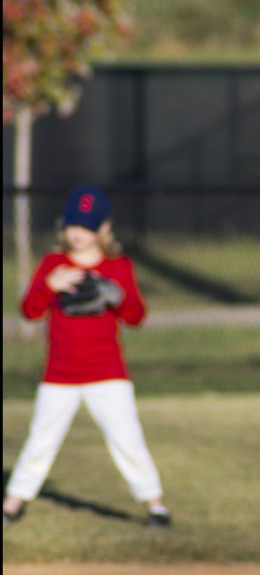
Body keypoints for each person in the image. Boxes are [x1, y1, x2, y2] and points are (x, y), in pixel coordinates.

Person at [3, 187, 171, 529]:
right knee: (40, 441)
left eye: (88, 226)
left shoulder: (117, 265)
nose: (78, 233)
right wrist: (50, 285)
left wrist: (116, 295)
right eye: (73, 225)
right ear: (63, 226)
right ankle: (12, 504)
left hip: (107, 373)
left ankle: (155, 505)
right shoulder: (54, 264)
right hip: (59, 375)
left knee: (127, 440)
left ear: (104, 228)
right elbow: (29, 311)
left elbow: (136, 317)